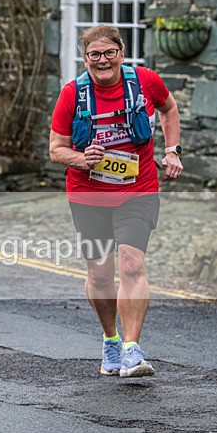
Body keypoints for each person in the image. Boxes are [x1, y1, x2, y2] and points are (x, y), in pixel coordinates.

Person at [49, 24, 182, 378]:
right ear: (85, 58)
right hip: (88, 195)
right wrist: (82, 158)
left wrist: (172, 150)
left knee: (132, 265)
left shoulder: (144, 82)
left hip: (137, 189)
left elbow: (169, 109)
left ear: (122, 54)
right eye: (94, 54)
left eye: (109, 52)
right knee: (100, 273)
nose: (102, 60)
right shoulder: (71, 94)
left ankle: (132, 350)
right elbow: (56, 149)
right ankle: (111, 338)